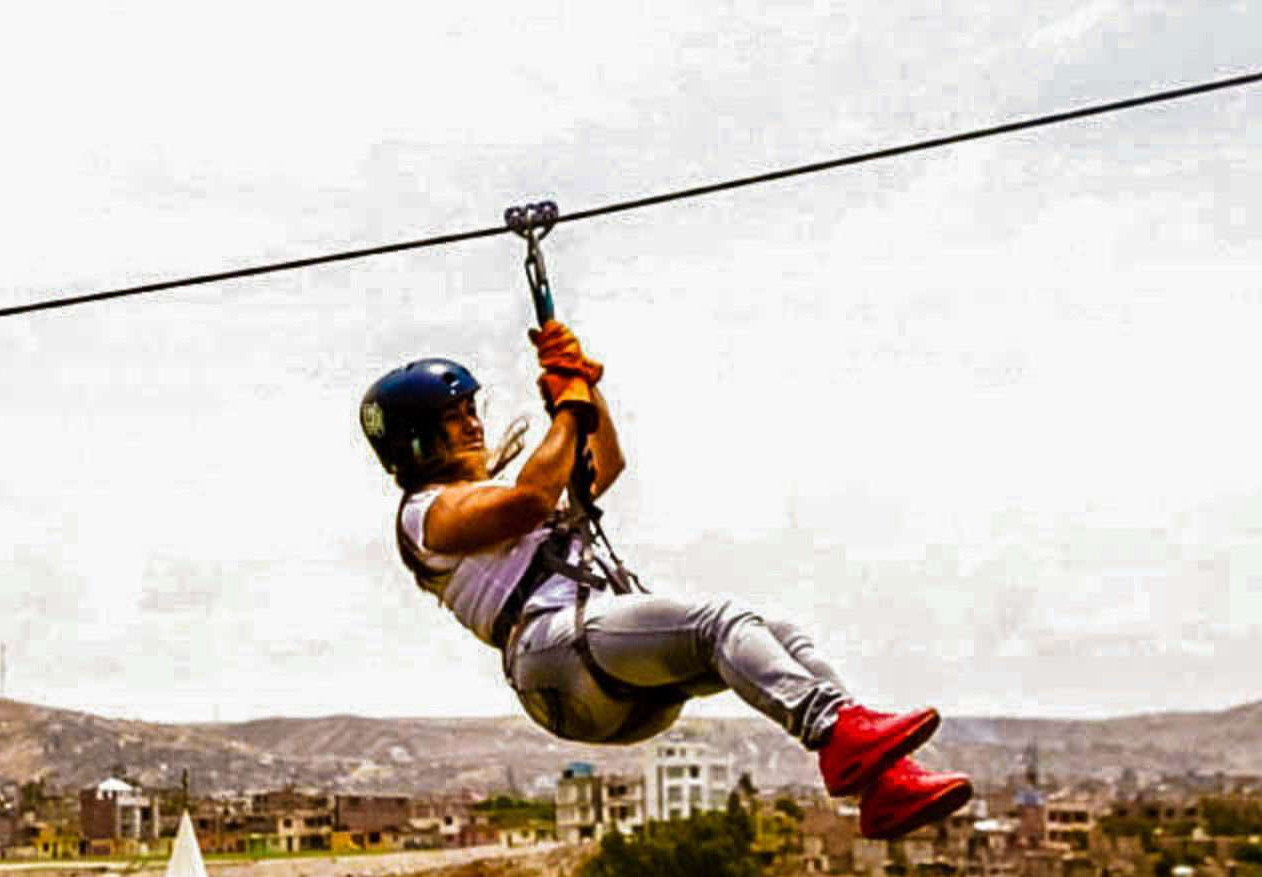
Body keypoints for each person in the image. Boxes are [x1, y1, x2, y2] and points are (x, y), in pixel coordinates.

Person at [359, 318, 972, 840]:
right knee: (717, 621)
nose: (472, 423)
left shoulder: (492, 496)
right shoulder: (424, 515)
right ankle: (835, 733)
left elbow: (606, 465)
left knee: (776, 631)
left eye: (469, 410)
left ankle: (884, 784)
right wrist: (568, 408)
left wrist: (585, 390)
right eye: (453, 417)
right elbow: (530, 500)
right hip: (558, 654)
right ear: (418, 443)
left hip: (596, 674)